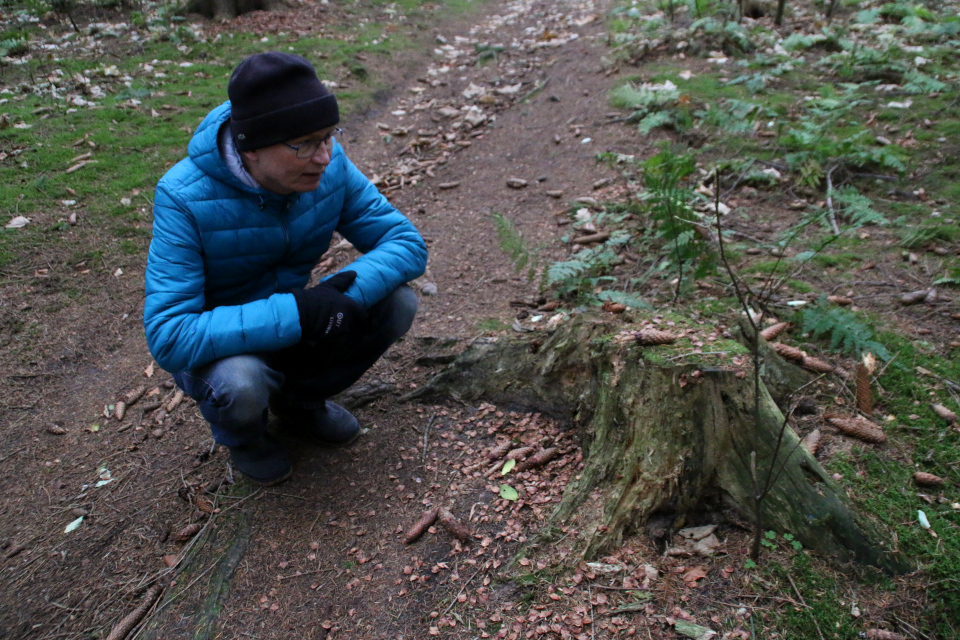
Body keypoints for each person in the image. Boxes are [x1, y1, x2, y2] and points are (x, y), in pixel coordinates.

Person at [143, 52, 427, 485]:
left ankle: (300, 403)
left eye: (330, 136)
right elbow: (169, 335)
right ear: (251, 148)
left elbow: (405, 243)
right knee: (241, 381)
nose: (324, 157)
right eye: (306, 144)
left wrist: (332, 300)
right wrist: (300, 312)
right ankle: (245, 437)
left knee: (397, 302)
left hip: (295, 320)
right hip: (220, 344)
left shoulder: (330, 167)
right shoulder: (183, 197)